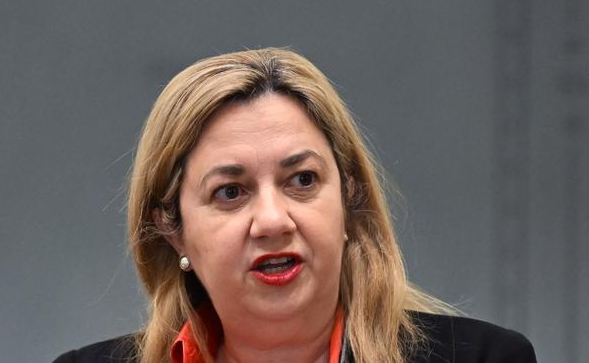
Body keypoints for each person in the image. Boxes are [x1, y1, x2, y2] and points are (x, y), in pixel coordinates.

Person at [54, 48, 536, 363]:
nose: (271, 221)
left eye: (302, 180)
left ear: (349, 199)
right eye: (230, 192)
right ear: (172, 229)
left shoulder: (485, 359)